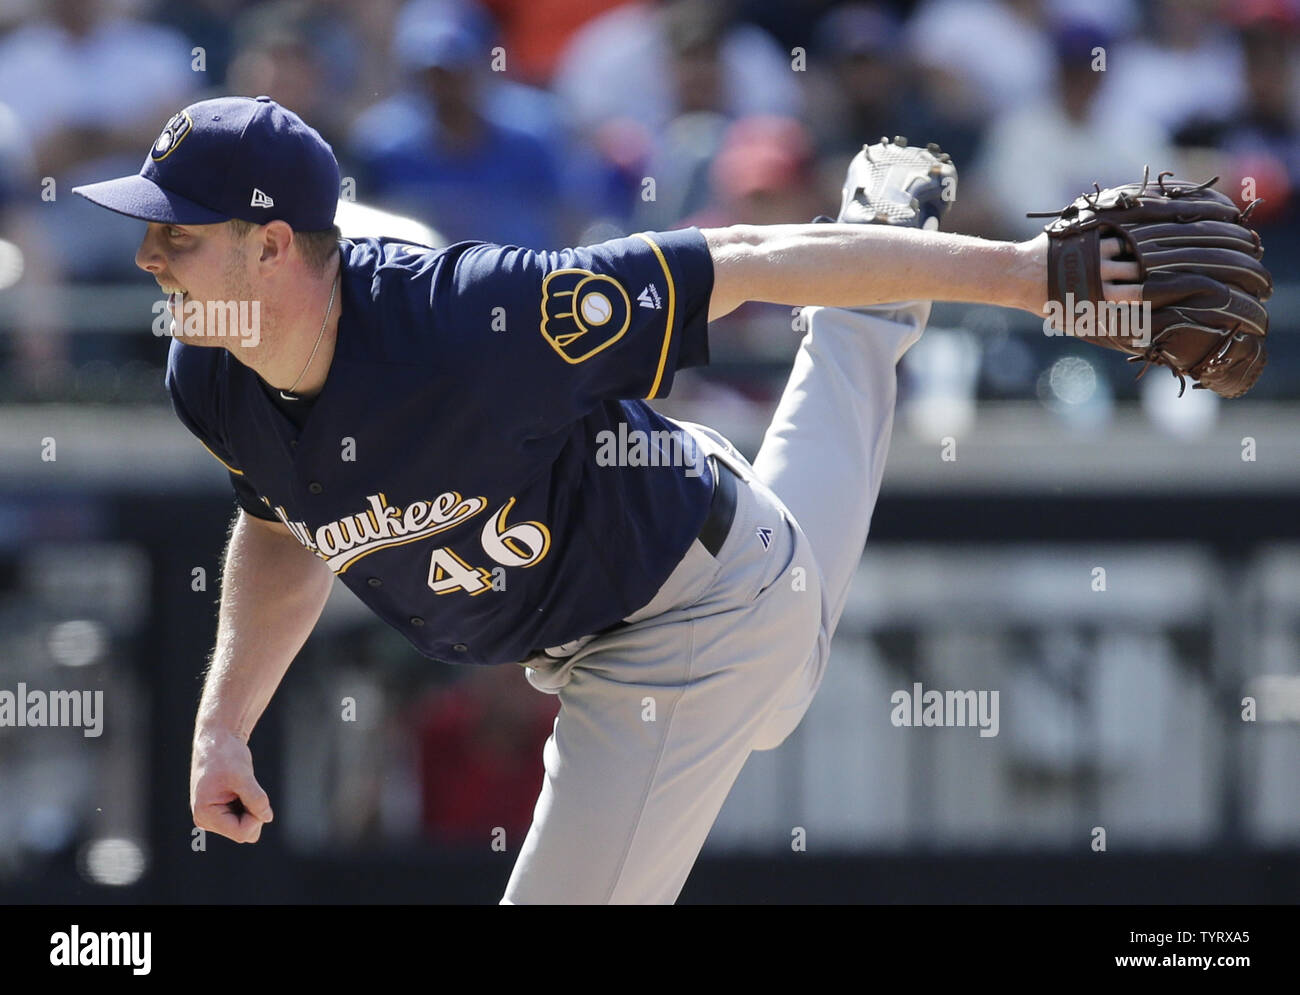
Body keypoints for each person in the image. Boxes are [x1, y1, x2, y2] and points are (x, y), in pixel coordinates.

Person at [72, 97, 1139, 903]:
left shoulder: (472, 319)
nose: (146, 255)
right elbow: (280, 525)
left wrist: (1029, 273)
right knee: (786, 660)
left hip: (679, 620)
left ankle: (872, 313)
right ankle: (867, 318)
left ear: (269, 247)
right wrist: (223, 725)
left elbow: (750, 257)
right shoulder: (209, 370)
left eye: (180, 234)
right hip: (673, 580)